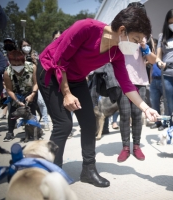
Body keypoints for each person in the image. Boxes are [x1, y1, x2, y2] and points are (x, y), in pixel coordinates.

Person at [37, 6, 159, 187]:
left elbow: (126, 84)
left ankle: (88, 169)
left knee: (90, 122)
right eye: (135, 39)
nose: (135, 45)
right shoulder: (86, 28)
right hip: (51, 70)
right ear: (122, 30)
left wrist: (146, 108)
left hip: (76, 78)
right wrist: (67, 93)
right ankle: (51, 174)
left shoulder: (117, 52)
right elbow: (60, 61)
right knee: (64, 124)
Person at [116, 2, 157, 163]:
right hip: (123, 80)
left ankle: (137, 146)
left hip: (139, 80)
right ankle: (125, 147)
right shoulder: (120, 33)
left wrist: (144, 46)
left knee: (137, 114)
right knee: (125, 114)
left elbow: (153, 60)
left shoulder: (146, 36)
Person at [3, 50, 38, 141]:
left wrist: (32, 95)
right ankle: (10, 132)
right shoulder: (7, 72)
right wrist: (17, 101)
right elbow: (9, 89)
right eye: (14, 64)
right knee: (13, 112)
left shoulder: (32, 67)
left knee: (31, 112)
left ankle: (34, 132)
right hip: (16, 95)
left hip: (30, 93)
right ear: (10, 63)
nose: (17, 67)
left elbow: (35, 83)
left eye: (19, 64)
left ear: (23, 61)